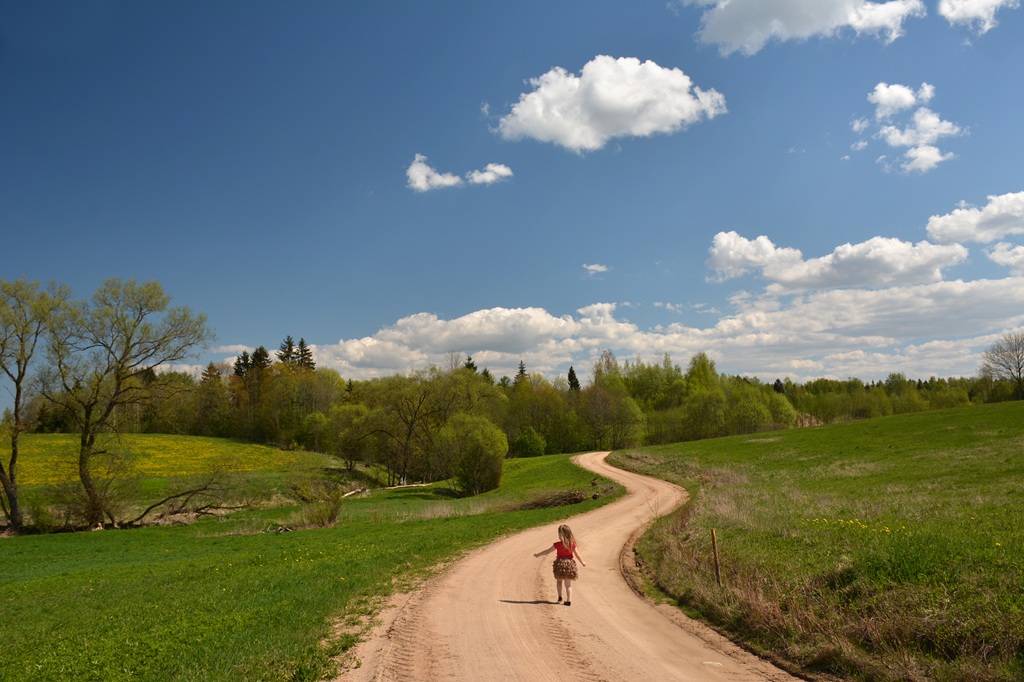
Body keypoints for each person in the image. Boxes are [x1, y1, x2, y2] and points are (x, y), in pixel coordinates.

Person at [533, 524, 586, 605]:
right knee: (568, 585)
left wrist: (538, 555)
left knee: (559, 581)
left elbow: (547, 551)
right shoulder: (572, 544)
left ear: (561, 535)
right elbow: (577, 554)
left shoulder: (557, 544)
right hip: (569, 565)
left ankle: (560, 596)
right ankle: (569, 600)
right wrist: (583, 562)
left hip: (560, 564)